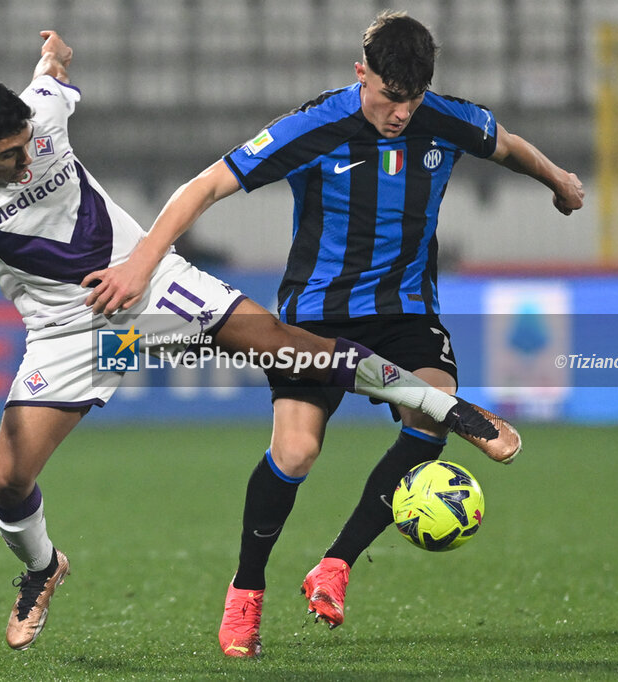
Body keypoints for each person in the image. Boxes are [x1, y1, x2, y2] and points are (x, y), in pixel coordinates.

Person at [0, 30, 519, 652]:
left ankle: (449, 409)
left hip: (150, 291)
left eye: (27, 145)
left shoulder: (39, 116)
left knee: (285, 345)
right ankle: (42, 570)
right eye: (8, 155)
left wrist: (54, 55)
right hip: (71, 336)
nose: (25, 158)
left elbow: (52, 79)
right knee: (9, 481)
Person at [85, 11, 584, 657]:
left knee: (427, 418)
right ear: (361, 74)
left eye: (411, 100)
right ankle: (246, 594)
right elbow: (205, 185)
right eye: (387, 96)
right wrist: (140, 263)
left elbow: (508, 144)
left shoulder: (445, 117)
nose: (399, 113)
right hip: (315, 316)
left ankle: (337, 565)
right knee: (295, 454)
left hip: (406, 311)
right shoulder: (316, 126)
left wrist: (559, 182)